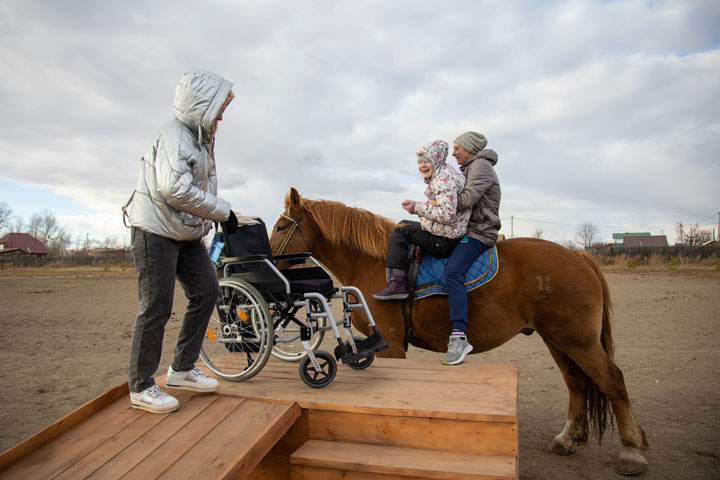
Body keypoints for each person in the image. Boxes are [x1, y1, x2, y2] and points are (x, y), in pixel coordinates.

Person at [122, 70, 240, 413]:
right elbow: (173, 188)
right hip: (154, 231)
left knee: (207, 290)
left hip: (184, 232)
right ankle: (142, 386)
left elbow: (199, 190)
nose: (221, 116)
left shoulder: (200, 141)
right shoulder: (174, 136)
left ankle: (182, 369)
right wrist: (222, 212)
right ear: (201, 105)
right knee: (156, 305)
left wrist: (212, 219)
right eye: (218, 108)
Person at [373, 140, 470, 300]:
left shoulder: (443, 181)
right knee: (404, 223)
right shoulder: (445, 173)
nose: (422, 166)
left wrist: (417, 207)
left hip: (445, 240)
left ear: (437, 161)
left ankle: (398, 284)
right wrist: (424, 206)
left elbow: (446, 214)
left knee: (400, 233)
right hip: (447, 232)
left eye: (427, 162)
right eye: (420, 162)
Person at [442, 131, 501, 365]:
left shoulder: (480, 167)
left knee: (453, 272)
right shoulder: (468, 168)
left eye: (457, 148)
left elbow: (465, 200)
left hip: (479, 232)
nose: (453, 152)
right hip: (464, 230)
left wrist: (432, 203)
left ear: (469, 148)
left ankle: (459, 336)